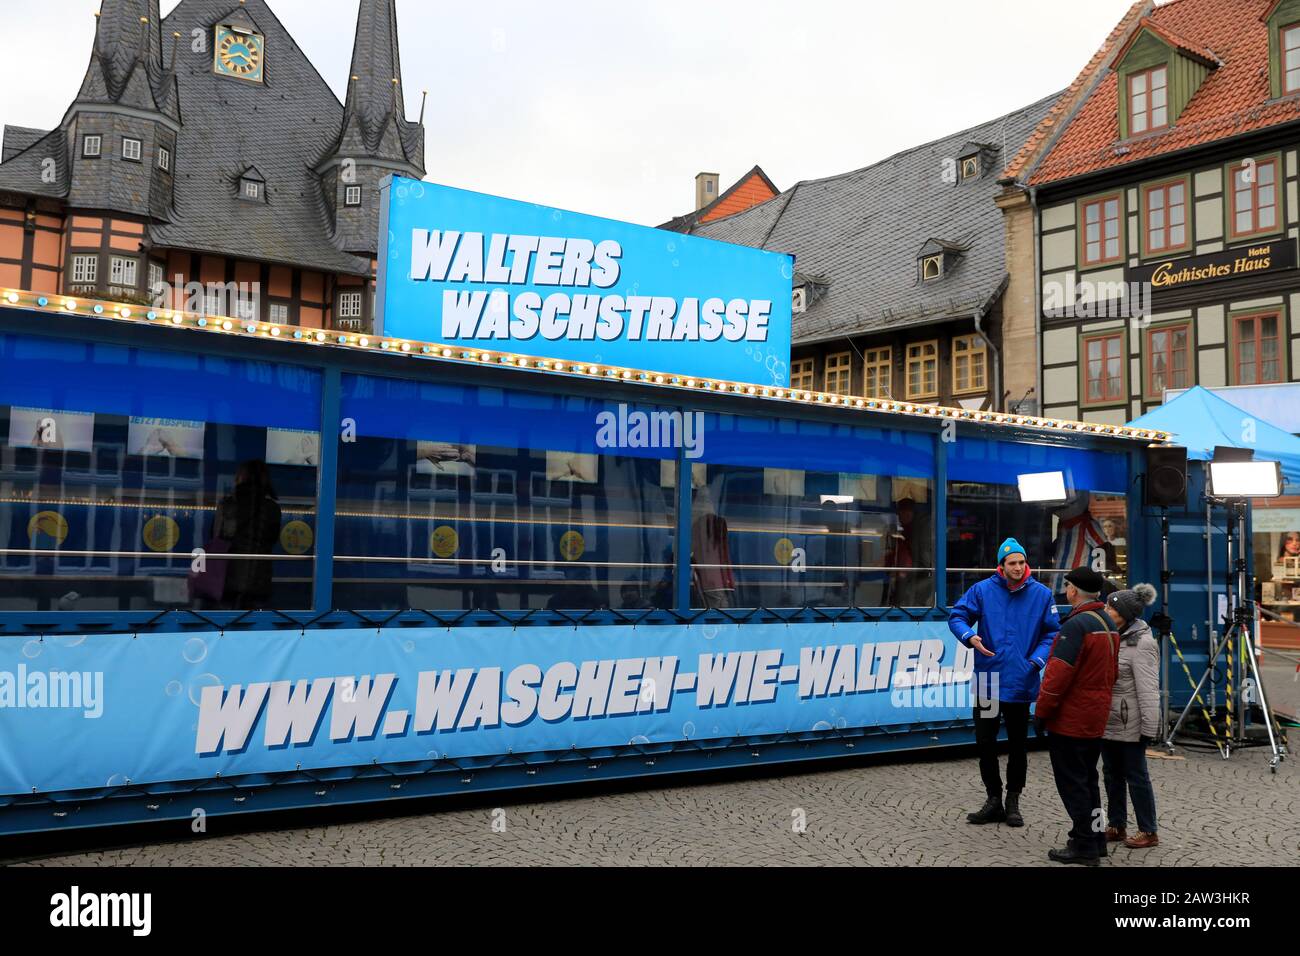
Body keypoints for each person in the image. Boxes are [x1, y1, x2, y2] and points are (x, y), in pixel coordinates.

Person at [948, 537, 1060, 828]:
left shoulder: (1041, 595)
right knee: (985, 743)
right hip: (987, 680)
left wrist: (1035, 661)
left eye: (1022, 562)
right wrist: (968, 636)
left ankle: (1013, 800)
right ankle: (993, 799)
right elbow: (957, 616)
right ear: (1001, 566)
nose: (1019, 567)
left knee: (1017, 745)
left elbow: (1052, 633)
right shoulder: (982, 591)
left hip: (1021, 683)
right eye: (1013, 563)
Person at [1036, 566, 1121, 866]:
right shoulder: (1108, 624)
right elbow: (1112, 673)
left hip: (1071, 718)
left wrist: (1042, 711)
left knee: (1073, 783)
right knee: (1089, 780)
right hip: (1095, 716)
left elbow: (1058, 674)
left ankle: (1083, 844)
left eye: (1068, 585)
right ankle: (1096, 839)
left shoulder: (1075, 626)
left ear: (1072, 590)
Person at [1102, 583, 1161, 850]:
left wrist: (1149, 728)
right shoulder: (1113, 635)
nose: (1105, 609)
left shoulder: (1143, 643)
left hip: (1132, 722)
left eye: (1111, 607)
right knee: (1111, 773)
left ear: (1124, 613)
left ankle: (1148, 830)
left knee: (1136, 776)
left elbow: (1148, 689)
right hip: (1110, 720)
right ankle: (1116, 824)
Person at [217, 460, 282, 610]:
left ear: (240, 477)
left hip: (227, 577)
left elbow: (218, 536)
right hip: (259, 579)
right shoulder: (272, 508)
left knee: (224, 624)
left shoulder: (228, 504)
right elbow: (272, 539)